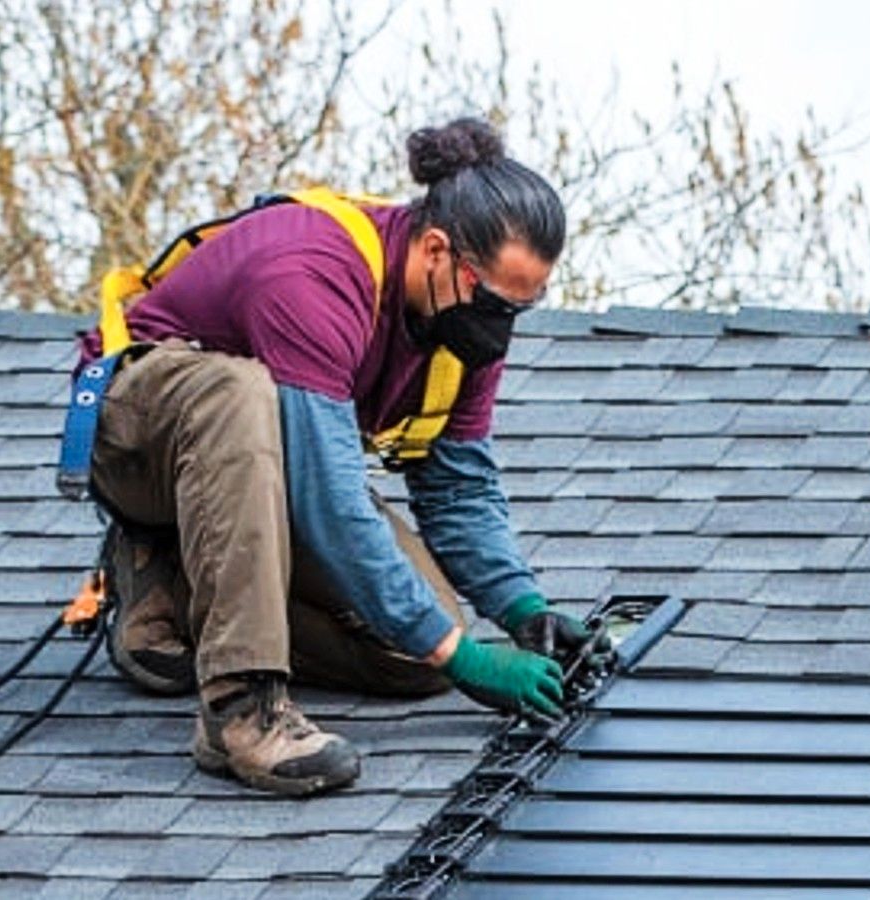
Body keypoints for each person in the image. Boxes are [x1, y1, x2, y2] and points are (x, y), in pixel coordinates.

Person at [85, 117, 604, 797]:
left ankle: (171, 590)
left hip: (258, 475)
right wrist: (467, 660)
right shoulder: (315, 271)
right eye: (492, 299)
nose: (500, 324)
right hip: (139, 437)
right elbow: (327, 502)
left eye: (520, 307)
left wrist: (519, 608)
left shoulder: (462, 331)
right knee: (241, 391)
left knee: (421, 647)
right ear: (437, 250)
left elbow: (458, 492)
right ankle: (241, 710)